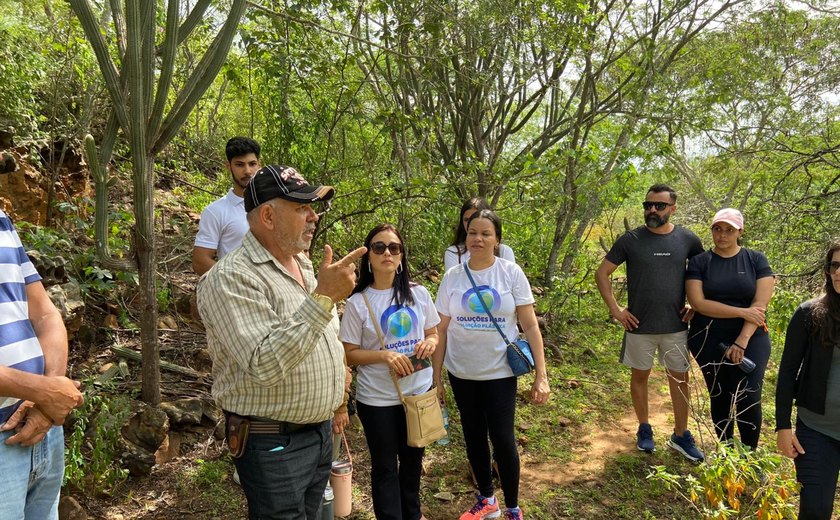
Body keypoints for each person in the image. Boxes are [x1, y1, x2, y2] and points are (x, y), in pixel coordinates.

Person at [197, 165, 365, 519]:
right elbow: (264, 362)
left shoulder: (304, 265)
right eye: (302, 207)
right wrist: (323, 298)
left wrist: (338, 399)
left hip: (319, 434)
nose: (313, 217)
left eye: (313, 207)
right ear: (269, 216)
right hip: (272, 441)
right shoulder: (228, 278)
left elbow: (327, 339)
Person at [434, 209, 550, 520]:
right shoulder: (452, 277)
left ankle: (512, 506)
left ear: (497, 239)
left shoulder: (510, 273)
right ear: (465, 236)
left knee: (502, 437)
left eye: (486, 233)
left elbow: (530, 325)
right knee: (473, 436)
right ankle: (487, 499)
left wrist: (542, 375)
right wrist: (436, 379)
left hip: (499, 372)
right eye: (473, 233)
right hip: (462, 371)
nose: (478, 239)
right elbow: (441, 329)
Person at [594, 184, 705, 462]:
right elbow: (602, 274)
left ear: (673, 208)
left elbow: (705, 273)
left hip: (676, 325)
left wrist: (695, 302)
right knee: (640, 376)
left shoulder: (688, 240)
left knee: (679, 380)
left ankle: (681, 435)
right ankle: (644, 428)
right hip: (638, 325)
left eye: (659, 205)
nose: (652, 210)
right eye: (648, 205)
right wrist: (616, 309)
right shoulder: (631, 239)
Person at [340, 223, 439, 520]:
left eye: (394, 248)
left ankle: (413, 513)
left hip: (417, 393)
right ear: (368, 256)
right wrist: (383, 356)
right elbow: (348, 352)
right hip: (378, 399)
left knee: (412, 463)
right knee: (384, 467)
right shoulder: (359, 301)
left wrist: (429, 344)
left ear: (401, 256)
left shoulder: (418, 294)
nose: (387, 253)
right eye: (379, 247)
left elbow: (434, 332)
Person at [0, 208, 85, 519]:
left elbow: (45, 314)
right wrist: (45, 392)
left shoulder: (1, 219)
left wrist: (48, 400)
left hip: (42, 427)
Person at [686, 208, 774, 449]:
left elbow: (759, 305)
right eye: (717, 229)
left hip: (751, 337)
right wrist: (740, 310)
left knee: (749, 396)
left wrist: (742, 340)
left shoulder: (756, 260)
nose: (722, 235)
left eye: (729, 230)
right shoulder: (700, 262)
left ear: (740, 231)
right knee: (720, 395)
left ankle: (749, 458)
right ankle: (727, 453)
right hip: (708, 338)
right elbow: (698, 302)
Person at [776, 240, 840, 519]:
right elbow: (787, 371)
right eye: (835, 265)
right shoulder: (809, 314)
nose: (838, 272)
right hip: (817, 431)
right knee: (815, 511)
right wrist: (782, 427)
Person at [192, 136, 262, 275]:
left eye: (252, 164)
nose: (247, 171)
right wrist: (236, 280)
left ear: (260, 165)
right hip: (239, 292)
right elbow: (200, 261)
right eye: (240, 164)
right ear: (228, 166)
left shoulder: (274, 204)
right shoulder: (216, 211)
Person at [444, 197, 515, 272]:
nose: (471, 223)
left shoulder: (504, 251)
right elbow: (454, 282)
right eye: (466, 220)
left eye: (475, 217)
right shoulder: (454, 253)